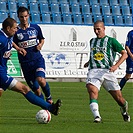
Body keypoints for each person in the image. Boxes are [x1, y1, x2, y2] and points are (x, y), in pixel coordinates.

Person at [0, 17, 61, 116]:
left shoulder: (8, 36)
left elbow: (9, 45)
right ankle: (51, 108)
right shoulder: (1, 39)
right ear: (8, 28)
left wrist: (15, 50)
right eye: (15, 28)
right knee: (24, 89)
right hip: (1, 73)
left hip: (3, 69)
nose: (16, 30)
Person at [84, 20, 130, 123]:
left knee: (119, 99)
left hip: (107, 72)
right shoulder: (92, 41)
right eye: (95, 29)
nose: (96, 31)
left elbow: (125, 54)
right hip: (94, 71)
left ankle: (124, 111)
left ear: (104, 29)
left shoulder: (111, 41)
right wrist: (89, 62)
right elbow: (95, 54)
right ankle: (97, 116)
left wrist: (116, 66)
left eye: (98, 29)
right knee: (92, 90)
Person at [13, 6, 53, 104]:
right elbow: (11, 42)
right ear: (18, 17)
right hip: (25, 63)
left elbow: (42, 39)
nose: (24, 19)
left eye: (26, 16)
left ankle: (49, 98)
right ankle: (46, 108)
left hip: (37, 60)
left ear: (29, 15)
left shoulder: (35, 27)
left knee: (41, 80)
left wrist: (40, 45)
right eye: (21, 17)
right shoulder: (16, 31)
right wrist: (18, 48)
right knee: (36, 90)